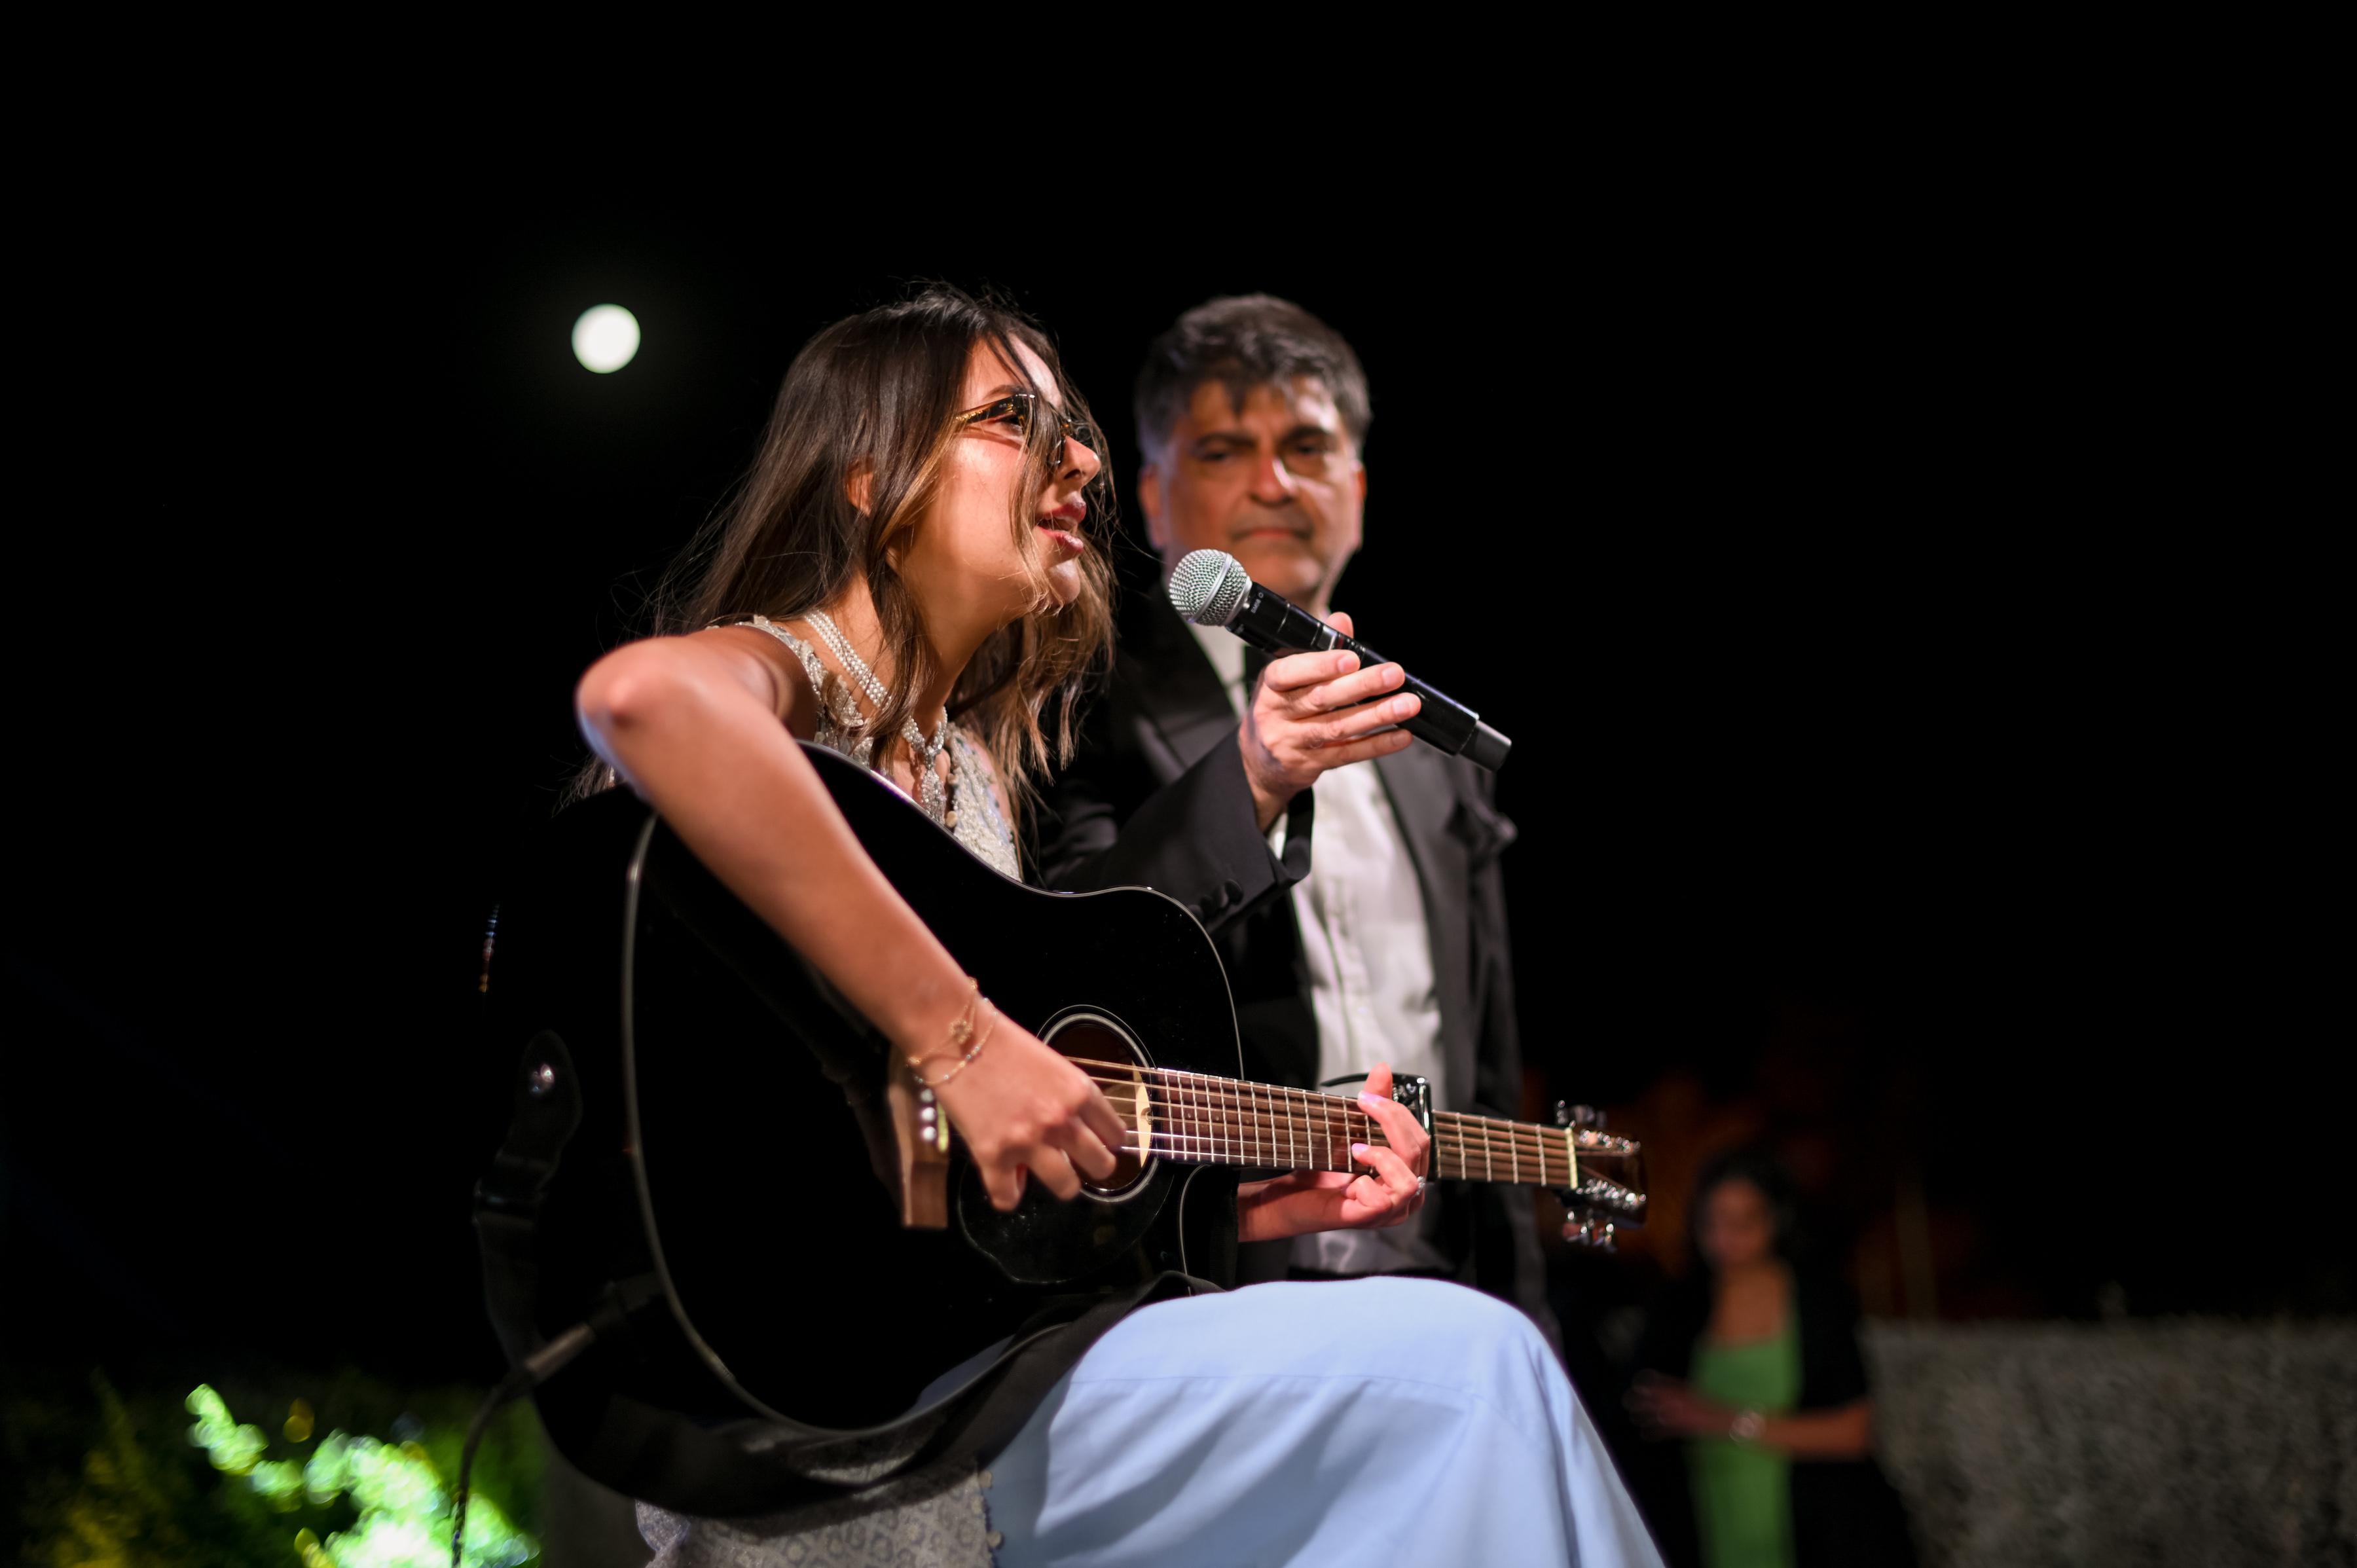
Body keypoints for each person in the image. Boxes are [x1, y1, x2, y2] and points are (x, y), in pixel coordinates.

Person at [572, 284, 1661, 1566]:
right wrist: (967, 1044)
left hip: (985, 1376)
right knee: (1473, 1375)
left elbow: (973, 1199)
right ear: (867, 475)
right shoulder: (793, 676)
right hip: (840, 1413)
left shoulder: (970, 771)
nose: (1076, 454)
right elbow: (643, 697)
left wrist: (1243, 1202)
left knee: (1473, 1394)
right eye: (1010, 419)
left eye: (1074, 427)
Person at [1033, 295, 1552, 1340]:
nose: (1275, 482)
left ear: (1357, 491)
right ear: (1154, 494)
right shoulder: (1081, 703)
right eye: (1226, 449)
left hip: (1440, 1280)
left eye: (1308, 446)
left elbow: (1485, 1064)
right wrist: (1254, 776)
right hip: (1209, 1282)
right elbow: (1069, 970)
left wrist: (1524, 1307)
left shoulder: (1435, 754)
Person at [1627, 1150, 1916, 1568]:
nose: (1725, 1238)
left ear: (1777, 1220)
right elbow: (1640, 1410)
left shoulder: (1819, 1303)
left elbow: (1854, 1432)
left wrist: (1722, 1420)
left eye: (1743, 1223)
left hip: (1814, 1523)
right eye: (1714, 1222)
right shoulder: (1678, 1305)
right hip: (1703, 1516)